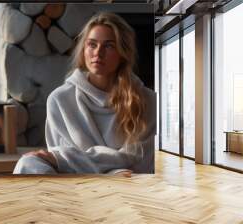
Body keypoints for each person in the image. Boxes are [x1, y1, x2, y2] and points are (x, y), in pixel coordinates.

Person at [13, 12, 156, 175]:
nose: (98, 53)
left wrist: (62, 158)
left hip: (128, 183)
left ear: (123, 54)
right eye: (92, 45)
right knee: (28, 163)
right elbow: (63, 164)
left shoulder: (147, 100)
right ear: (83, 50)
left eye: (109, 45)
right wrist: (109, 172)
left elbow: (140, 159)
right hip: (78, 183)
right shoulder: (60, 100)